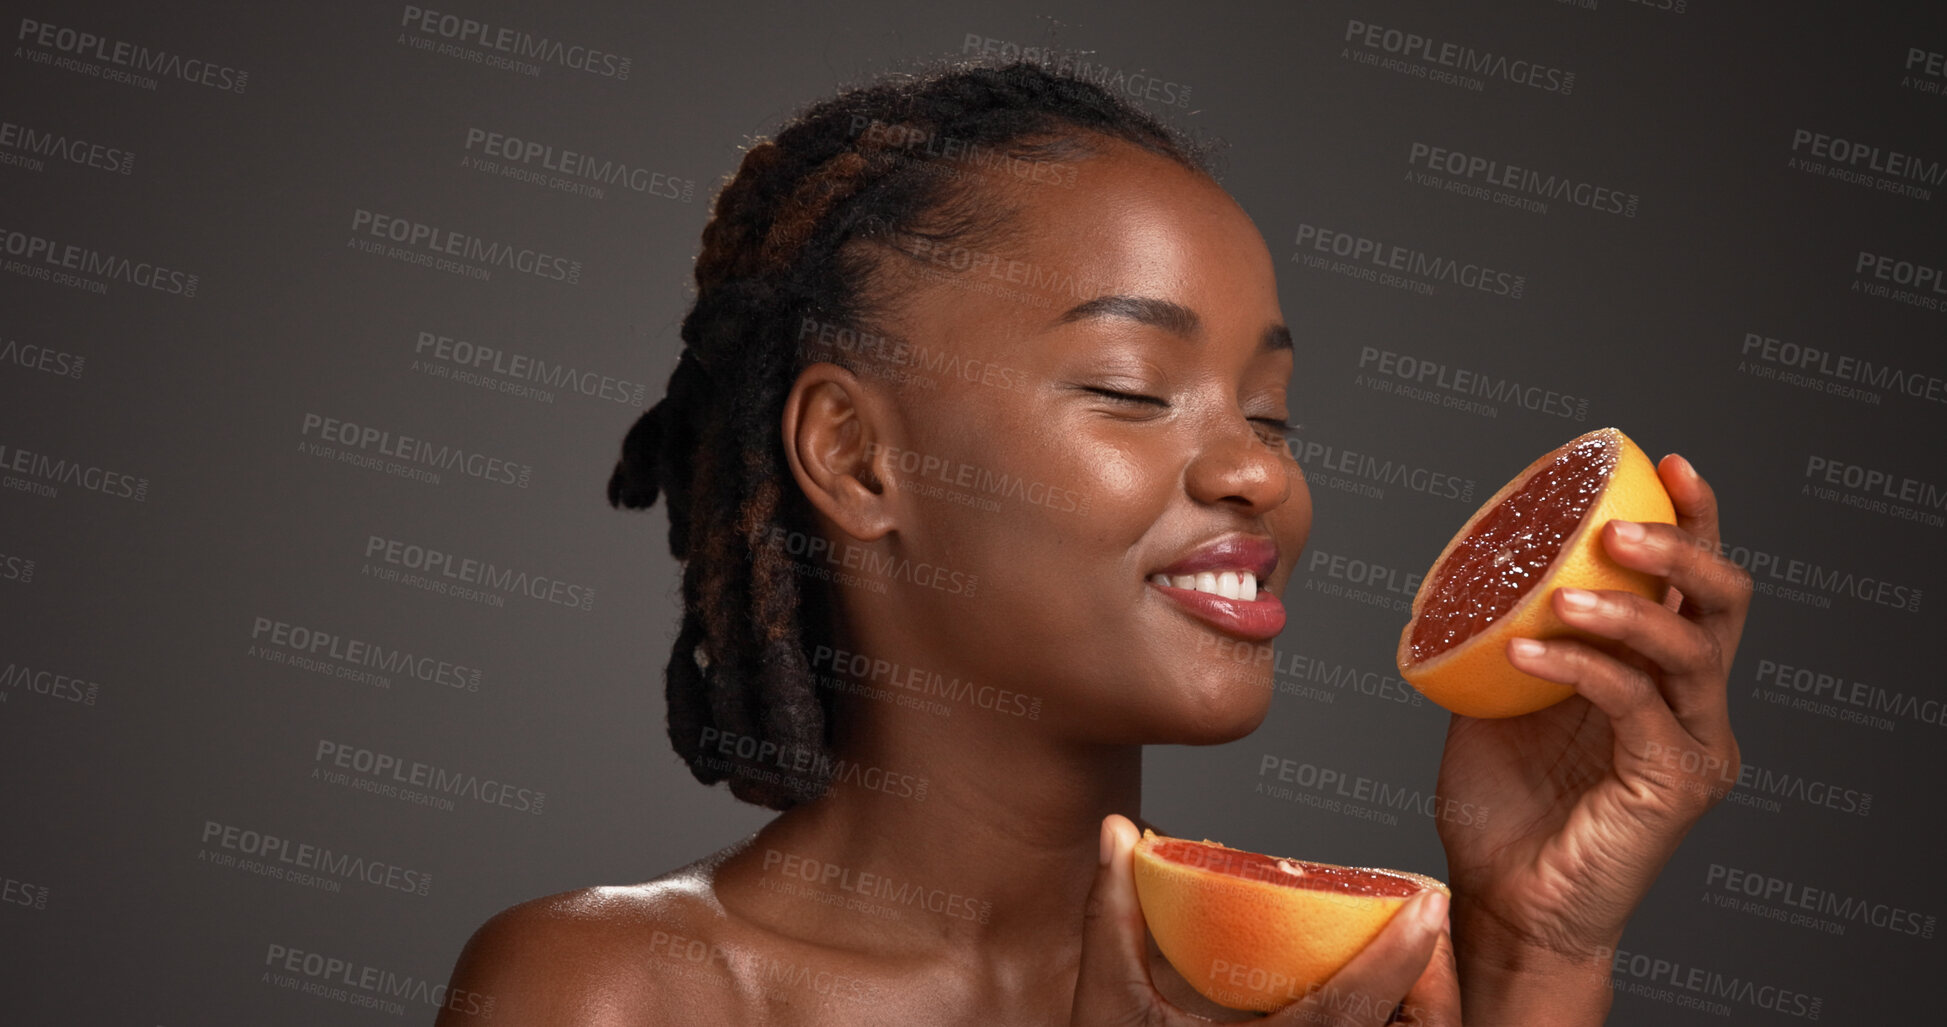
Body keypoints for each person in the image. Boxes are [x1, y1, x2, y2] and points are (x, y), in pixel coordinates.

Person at [436, 61, 1752, 1025]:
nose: (1255, 471)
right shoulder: (618, 996)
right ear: (855, 454)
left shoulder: (1350, 994)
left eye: (1273, 411)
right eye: (1129, 389)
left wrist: (1538, 957)